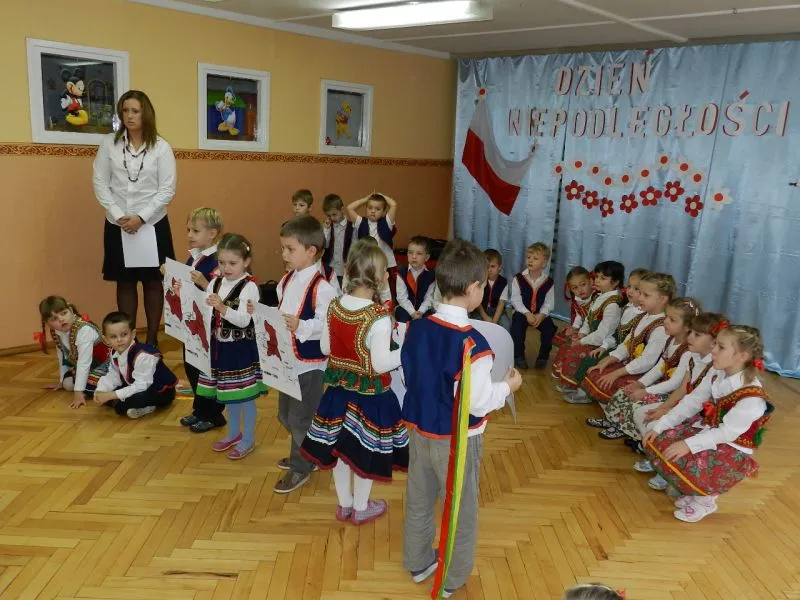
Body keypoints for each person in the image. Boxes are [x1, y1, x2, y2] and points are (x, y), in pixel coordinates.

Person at [401, 239, 522, 599]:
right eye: (483, 286)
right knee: (461, 510)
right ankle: (452, 577)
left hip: (419, 431)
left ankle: (417, 560)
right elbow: (478, 403)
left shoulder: (416, 327)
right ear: (473, 289)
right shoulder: (473, 345)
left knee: (419, 498)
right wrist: (508, 386)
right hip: (457, 443)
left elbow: (409, 375)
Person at [301, 239, 407, 525]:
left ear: (348, 271)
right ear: (380, 279)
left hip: (337, 394)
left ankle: (345, 504)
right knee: (363, 451)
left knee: (339, 448)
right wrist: (405, 351)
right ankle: (361, 507)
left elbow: (325, 348)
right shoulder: (379, 317)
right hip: (371, 397)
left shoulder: (334, 307)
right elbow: (381, 364)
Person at [644, 325, 773, 522]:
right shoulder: (717, 371)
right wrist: (661, 425)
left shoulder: (752, 397)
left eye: (721, 347)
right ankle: (693, 490)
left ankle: (705, 500)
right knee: (661, 439)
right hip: (711, 431)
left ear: (742, 356)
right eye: (715, 344)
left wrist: (688, 444)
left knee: (690, 456)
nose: (713, 350)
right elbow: (692, 401)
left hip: (732, 447)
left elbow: (727, 433)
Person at [93, 90, 176, 347]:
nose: (129, 116)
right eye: (125, 111)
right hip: (117, 224)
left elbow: (167, 189)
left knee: (153, 283)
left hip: (152, 224)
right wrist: (120, 216)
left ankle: (151, 340)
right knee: (125, 283)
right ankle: (127, 342)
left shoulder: (161, 147)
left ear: (145, 114)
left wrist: (141, 217)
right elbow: (100, 182)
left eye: (135, 111)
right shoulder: (109, 143)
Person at [275, 216, 337, 493]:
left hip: (310, 365)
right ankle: (308, 450)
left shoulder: (323, 288)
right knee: (285, 416)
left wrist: (301, 325)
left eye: (290, 249)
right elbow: (282, 313)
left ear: (311, 250)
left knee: (300, 418)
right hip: (288, 361)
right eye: (283, 248)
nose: (284, 254)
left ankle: (302, 466)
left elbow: (328, 325)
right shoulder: (287, 279)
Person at [195, 233, 267, 459]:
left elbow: (245, 320)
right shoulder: (215, 282)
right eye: (222, 262)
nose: (226, 268)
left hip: (241, 349)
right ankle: (234, 433)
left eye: (232, 263)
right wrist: (184, 295)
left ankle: (248, 438)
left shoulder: (249, 287)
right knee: (228, 393)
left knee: (245, 396)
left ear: (246, 262)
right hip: (220, 348)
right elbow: (204, 310)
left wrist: (222, 308)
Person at [592, 297, 698, 440]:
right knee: (625, 392)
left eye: (672, 320)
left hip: (673, 395)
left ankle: (631, 434)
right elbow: (660, 368)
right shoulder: (671, 339)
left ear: (687, 327)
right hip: (662, 387)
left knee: (637, 403)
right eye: (666, 316)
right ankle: (613, 422)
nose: (665, 321)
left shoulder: (688, 351)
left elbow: (675, 383)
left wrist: (646, 391)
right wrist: (640, 383)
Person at [631, 313, 726, 471]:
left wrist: (666, 412)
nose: (690, 337)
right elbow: (683, 388)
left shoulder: (715, 366)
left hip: (699, 416)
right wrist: (663, 408)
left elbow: (698, 403)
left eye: (697, 335)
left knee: (657, 424)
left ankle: (664, 464)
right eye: (691, 332)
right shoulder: (692, 357)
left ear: (713, 343)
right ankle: (654, 454)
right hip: (685, 406)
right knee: (642, 413)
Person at [580, 272, 673, 404]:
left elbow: (647, 362)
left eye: (646, 295)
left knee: (606, 379)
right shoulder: (644, 316)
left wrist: (616, 373)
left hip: (644, 375)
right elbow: (628, 342)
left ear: (662, 299)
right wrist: (612, 358)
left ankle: (609, 404)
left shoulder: (662, 327)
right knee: (598, 367)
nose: (640, 298)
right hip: (631, 365)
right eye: (640, 293)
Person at [171, 207, 225, 433]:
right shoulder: (194, 257)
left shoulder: (219, 260)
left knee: (206, 372)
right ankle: (200, 409)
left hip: (209, 328)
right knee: (192, 367)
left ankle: (214, 414)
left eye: (195, 230)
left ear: (212, 233)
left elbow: (224, 293)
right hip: (192, 324)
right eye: (188, 230)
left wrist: (204, 283)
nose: (190, 235)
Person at [564, 268, 646, 405]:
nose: (630, 291)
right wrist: (604, 346)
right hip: (616, 345)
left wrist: (607, 350)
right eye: (629, 286)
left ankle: (586, 393)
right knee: (592, 355)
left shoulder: (639, 313)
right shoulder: (628, 307)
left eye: (636, 289)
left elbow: (626, 341)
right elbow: (616, 332)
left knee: (593, 360)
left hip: (626, 352)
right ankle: (578, 386)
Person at [553, 261, 624, 398]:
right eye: (597, 277)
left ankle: (581, 388)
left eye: (603, 278)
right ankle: (570, 382)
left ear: (615, 282)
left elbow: (603, 334)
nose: (597, 281)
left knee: (577, 352)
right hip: (595, 337)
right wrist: (581, 333)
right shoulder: (600, 296)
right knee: (568, 345)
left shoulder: (613, 304)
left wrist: (582, 341)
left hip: (606, 343)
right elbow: (588, 319)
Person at [93, 311, 177, 418]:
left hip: (161, 391)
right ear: (106, 340)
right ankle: (125, 404)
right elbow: (113, 375)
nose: (119, 340)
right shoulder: (114, 352)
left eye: (124, 335)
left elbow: (141, 386)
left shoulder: (143, 355)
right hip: (137, 385)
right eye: (113, 337)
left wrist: (111, 395)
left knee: (121, 405)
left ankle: (145, 406)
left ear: (133, 334)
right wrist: (100, 391)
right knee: (107, 393)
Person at [38, 296, 110, 408]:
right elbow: (62, 354)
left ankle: (113, 387)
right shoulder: (56, 331)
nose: (61, 319)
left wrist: (78, 393)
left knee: (91, 386)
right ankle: (89, 387)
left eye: (64, 313)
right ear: (47, 323)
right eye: (54, 319)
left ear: (71, 310)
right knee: (67, 384)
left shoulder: (84, 330)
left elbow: (83, 363)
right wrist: (61, 380)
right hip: (91, 367)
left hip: (106, 365)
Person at [510, 242, 557, 369]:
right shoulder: (518, 278)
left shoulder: (549, 282)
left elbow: (549, 303)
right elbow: (515, 300)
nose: (530, 260)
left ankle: (543, 357)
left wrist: (541, 315)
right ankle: (518, 356)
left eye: (535, 258)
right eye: (528, 257)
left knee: (549, 330)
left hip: (540, 314)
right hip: (522, 313)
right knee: (516, 329)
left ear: (544, 263)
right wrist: (526, 313)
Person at [347, 193, 398, 297]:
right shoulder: (361, 222)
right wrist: (365, 199)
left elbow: (393, 205)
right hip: (366, 263)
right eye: (370, 208)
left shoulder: (387, 222)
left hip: (385, 264)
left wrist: (381, 195)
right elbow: (349, 208)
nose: (373, 211)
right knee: (367, 289)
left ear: (384, 211)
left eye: (377, 209)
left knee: (385, 291)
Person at [395, 236, 436, 323]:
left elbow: (429, 298)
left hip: (423, 309)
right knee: (402, 318)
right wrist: (413, 313)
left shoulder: (431, 276)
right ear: (407, 254)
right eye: (410, 253)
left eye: (419, 253)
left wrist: (420, 312)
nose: (414, 256)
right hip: (405, 307)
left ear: (427, 257)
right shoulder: (401, 273)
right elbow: (402, 298)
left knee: (428, 320)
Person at [552, 266, 595, 348]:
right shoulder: (577, 299)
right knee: (565, 336)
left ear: (591, 282)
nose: (580, 290)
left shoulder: (596, 298)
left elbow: (589, 318)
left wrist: (582, 333)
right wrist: (575, 327)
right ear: (571, 290)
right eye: (575, 288)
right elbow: (579, 314)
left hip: (596, 329)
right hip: (585, 326)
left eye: (583, 284)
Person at [472, 248, 511, 330]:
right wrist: (485, 316)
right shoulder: (479, 280)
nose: (489, 270)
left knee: (507, 325)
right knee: (474, 323)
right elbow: (477, 301)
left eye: (492, 266)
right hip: (481, 310)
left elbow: (501, 303)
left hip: (497, 311)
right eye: (486, 267)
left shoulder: (503, 282)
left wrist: (494, 321)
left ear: (499, 267)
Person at [321, 193, 354, 287]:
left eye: (334, 214)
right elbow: (325, 245)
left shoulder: (352, 227)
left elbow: (354, 249)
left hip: (345, 271)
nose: (332, 218)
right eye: (329, 216)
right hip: (330, 270)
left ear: (342, 210)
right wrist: (326, 230)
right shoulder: (328, 227)